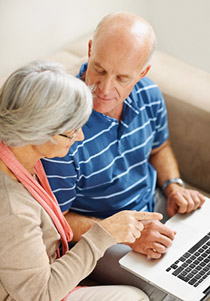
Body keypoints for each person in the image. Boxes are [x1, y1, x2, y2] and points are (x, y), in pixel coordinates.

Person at [42, 12, 206, 300]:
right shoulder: (62, 126)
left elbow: (160, 149)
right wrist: (127, 234)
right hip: (102, 236)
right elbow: (58, 220)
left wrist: (173, 186)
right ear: (90, 50)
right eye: (100, 70)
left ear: (142, 73)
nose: (104, 90)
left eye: (122, 78)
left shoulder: (149, 95)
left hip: (154, 208)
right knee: (175, 291)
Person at [0, 60, 164, 301]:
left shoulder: (21, 153)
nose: (80, 136)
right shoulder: (14, 210)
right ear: (37, 131)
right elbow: (40, 295)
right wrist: (103, 234)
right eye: (71, 130)